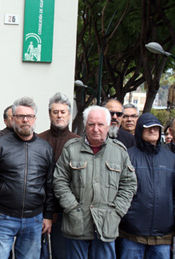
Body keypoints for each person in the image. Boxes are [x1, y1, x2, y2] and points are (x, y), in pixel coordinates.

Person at [53, 105, 137, 259]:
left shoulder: (119, 151)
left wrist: (117, 211)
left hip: (107, 224)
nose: (96, 129)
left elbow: (129, 184)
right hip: (77, 223)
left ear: (108, 126)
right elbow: (59, 180)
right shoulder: (71, 149)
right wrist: (72, 207)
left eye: (100, 125)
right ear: (86, 125)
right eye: (91, 124)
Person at [0, 97, 54, 259]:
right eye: (20, 116)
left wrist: (48, 215)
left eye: (29, 116)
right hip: (3, 217)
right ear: (13, 119)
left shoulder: (45, 148)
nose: (25, 120)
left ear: (34, 119)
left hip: (34, 219)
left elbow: (49, 184)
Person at [118, 113, 175, 259]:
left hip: (163, 233)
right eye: (148, 128)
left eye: (156, 128)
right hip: (131, 232)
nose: (152, 131)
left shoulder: (171, 158)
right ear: (139, 131)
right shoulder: (127, 156)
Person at [38, 92, 80, 259]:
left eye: (63, 112)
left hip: (65, 211)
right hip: (39, 209)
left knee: (61, 254)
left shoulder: (78, 142)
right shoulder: (39, 140)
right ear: (50, 114)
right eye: (55, 112)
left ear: (69, 115)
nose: (59, 115)